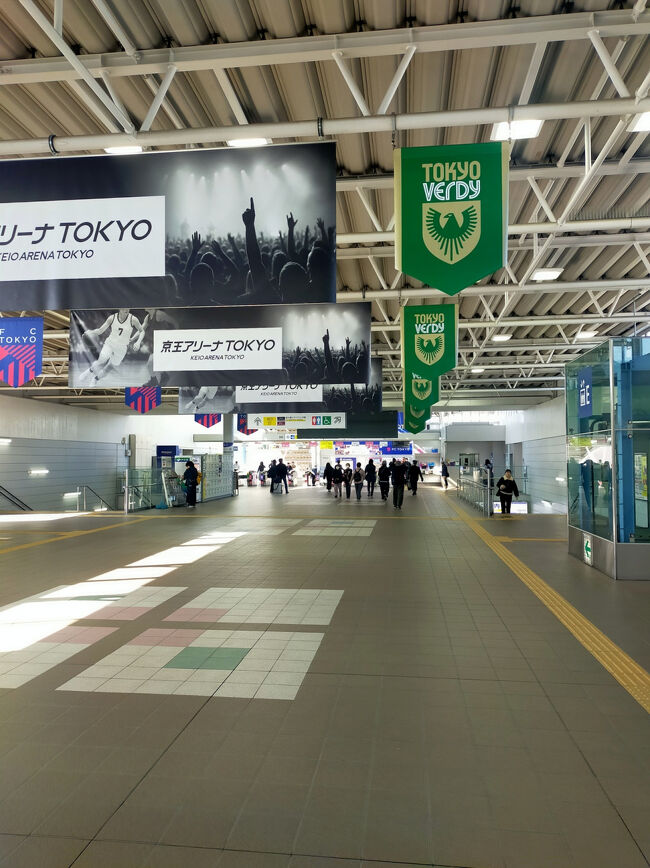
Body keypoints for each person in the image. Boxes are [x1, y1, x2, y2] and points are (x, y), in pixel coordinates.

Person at [81, 308, 146, 383]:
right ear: (119, 309)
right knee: (102, 359)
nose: (127, 309)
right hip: (110, 343)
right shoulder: (112, 318)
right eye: (124, 308)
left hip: (122, 348)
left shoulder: (133, 319)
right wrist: (91, 332)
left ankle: (95, 379)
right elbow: (100, 330)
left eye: (128, 307)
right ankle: (88, 372)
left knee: (110, 366)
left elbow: (142, 331)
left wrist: (138, 342)